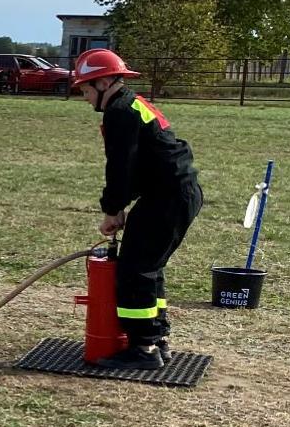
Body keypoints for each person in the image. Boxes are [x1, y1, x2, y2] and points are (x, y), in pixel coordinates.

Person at [71, 48, 202, 370]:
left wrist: (113, 209)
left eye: (86, 89)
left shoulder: (120, 112)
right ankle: (156, 338)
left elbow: (121, 167)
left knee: (134, 271)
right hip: (174, 194)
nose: (85, 98)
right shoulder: (131, 103)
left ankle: (143, 349)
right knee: (148, 269)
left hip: (166, 198)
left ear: (103, 83)